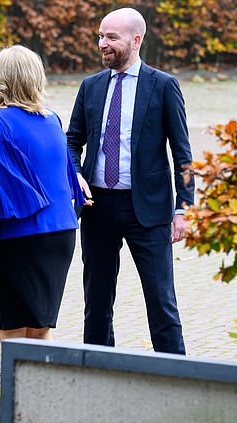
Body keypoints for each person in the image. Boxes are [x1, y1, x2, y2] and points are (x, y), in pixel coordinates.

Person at [66, 8, 195, 354]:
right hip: (98, 207)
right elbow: (72, 140)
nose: (102, 44)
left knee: (161, 300)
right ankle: (97, 372)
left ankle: (175, 376)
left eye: (111, 37)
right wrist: (75, 176)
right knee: (96, 301)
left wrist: (183, 209)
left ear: (136, 41)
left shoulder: (164, 86)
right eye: (100, 36)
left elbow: (182, 153)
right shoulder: (91, 86)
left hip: (148, 211)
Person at [0, 45, 85, 342]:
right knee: (39, 330)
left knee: (12, 335)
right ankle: (42, 389)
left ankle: (16, 391)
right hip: (61, 235)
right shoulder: (53, 120)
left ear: (2, 79)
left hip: (18, 239)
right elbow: (68, 182)